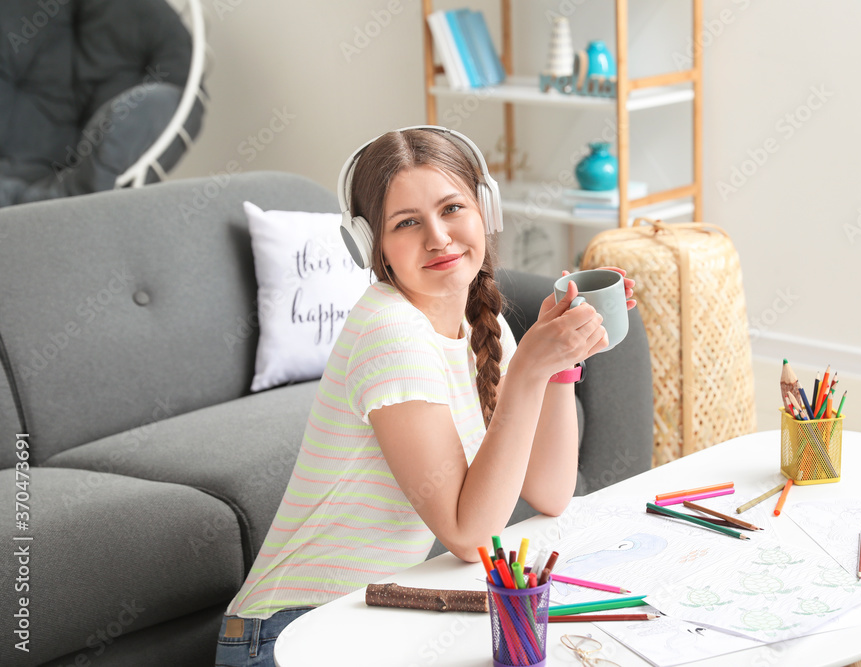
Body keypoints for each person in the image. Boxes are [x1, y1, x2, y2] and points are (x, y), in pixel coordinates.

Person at [214, 126, 635, 666]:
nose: (438, 236)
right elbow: (467, 535)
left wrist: (557, 366)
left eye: (452, 208)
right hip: (286, 634)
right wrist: (528, 371)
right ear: (373, 246)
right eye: (407, 223)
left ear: (486, 210)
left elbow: (552, 493)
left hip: (370, 617)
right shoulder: (391, 333)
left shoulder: (483, 324)